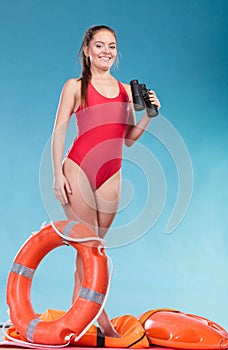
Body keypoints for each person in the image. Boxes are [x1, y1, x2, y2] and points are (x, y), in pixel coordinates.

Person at [51, 25, 160, 337]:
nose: (106, 52)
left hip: (111, 174)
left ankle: (76, 314)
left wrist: (149, 116)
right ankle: (102, 320)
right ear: (87, 50)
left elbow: (127, 140)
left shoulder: (126, 90)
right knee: (92, 248)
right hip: (79, 169)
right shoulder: (74, 86)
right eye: (99, 46)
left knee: (88, 252)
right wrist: (57, 174)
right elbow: (59, 131)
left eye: (111, 46)